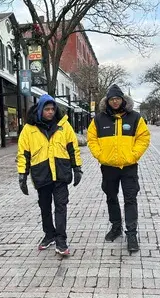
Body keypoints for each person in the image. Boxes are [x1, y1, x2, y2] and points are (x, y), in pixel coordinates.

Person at [87, 84, 150, 252]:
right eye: (112, 99)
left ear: (123, 100)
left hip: (129, 167)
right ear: (107, 101)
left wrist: (133, 155)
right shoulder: (99, 119)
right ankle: (116, 227)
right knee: (111, 197)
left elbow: (143, 138)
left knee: (130, 199)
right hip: (108, 167)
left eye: (117, 99)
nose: (115, 102)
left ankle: (131, 234)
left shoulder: (135, 117)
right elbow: (91, 139)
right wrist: (100, 156)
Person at [17, 94, 82, 256]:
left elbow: (73, 148)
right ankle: (49, 234)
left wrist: (77, 168)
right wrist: (22, 175)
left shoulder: (64, 126)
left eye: (53, 109)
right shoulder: (28, 129)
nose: (50, 112)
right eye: (47, 109)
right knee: (45, 207)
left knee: (61, 207)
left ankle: (61, 240)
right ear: (40, 110)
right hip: (42, 174)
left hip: (61, 173)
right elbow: (23, 153)